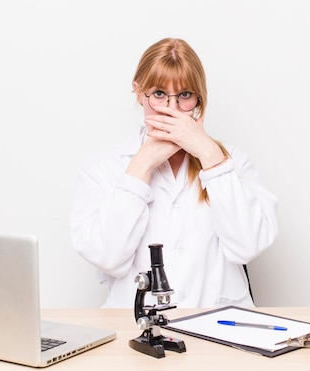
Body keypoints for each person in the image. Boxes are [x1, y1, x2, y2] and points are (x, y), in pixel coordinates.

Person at [70, 37, 278, 309]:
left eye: (184, 96)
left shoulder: (234, 162)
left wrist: (210, 156)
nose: (172, 109)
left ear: (199, 98)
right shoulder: (103, 167)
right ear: (138, 91)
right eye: (158, 94)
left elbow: (249, 245)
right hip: (135, 333)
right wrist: (141, 166)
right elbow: (107, 256)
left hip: (219, 330)